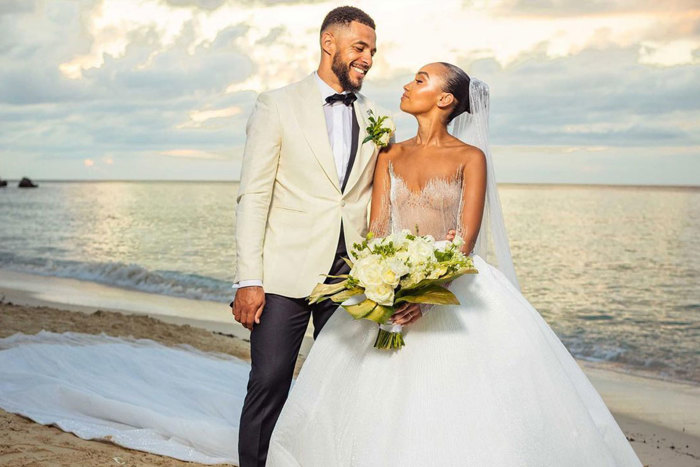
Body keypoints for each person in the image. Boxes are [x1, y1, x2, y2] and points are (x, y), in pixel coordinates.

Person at [264, 62, 644, 466]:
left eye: (420, 80)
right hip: (389, 290)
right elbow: (377, 229)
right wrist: (382, 283)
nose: (408, 85)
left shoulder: (470, 157)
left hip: (450, 287)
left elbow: (465, 239)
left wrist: (426, 298)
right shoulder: (389, 152)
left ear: (445, 99)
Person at [230, 6, 383, 467]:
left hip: (350, 277)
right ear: (328, 43)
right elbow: (253, 197)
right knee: (271, 379)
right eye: (360, 48)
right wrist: (247, 279)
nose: (368, 59)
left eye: (373, 51)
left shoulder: (377, 116)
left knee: (340, 386)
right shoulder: (276, 104)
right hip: (283, 274)